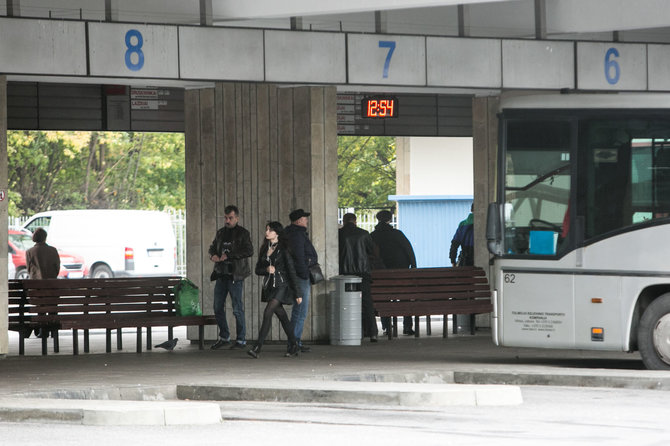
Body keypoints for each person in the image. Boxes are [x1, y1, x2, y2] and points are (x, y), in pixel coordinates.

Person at [247, 222, 302, 359]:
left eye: (270, 230)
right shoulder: (264, 248)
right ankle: (294, 345)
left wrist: (298, 293)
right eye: (266, 230)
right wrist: (266, 269)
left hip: (282, 286)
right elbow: (257, 270)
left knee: (268, 312)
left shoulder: (283, 249)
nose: (267, 232)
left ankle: (257, 347)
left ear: (277, 233)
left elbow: (291, 271)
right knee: (282, 316)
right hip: (269, 286)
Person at [208, 205, 254, 350]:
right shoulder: (221, 233)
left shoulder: (243, 233)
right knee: (217, 307)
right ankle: (224, 337)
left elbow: (249, 250)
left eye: (230, 218)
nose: (227, 220)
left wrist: (230, 255)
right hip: (221, 274)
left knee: (237, 308)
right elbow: (212, 247)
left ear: (237, 218)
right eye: (226, 218)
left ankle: (241, 339)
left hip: (235, 274)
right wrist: (213, 255)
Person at [370, 210, 417, 336]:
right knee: (405, 298)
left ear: (377, 219)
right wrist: (413, 266)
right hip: (401, 273)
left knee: (384, 299)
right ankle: (407, 327)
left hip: (381, 274)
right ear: (390, 220)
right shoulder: (397, 234)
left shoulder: (373, 236)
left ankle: (387, 327)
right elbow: (409, 250)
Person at [339, 213, 378, 342]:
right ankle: (373, 333)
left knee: (346, 304)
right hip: (363, 273)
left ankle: (348, 332)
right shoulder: (364, 233)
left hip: (345, 274)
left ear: (344, 221)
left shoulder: (339, 234)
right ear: (355, 221)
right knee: (367, 303)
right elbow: (372, 251)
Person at [284, 208, 318, 353]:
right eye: (305, 218)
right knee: (300, 311)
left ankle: (294, 340)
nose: (307, 220)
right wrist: (305, 275)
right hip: (301, 277)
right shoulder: (297, 235)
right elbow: (299, 257)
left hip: (297, 276)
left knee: (298, 311)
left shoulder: (292, 233)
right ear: (298, 221)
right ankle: (294, 341)